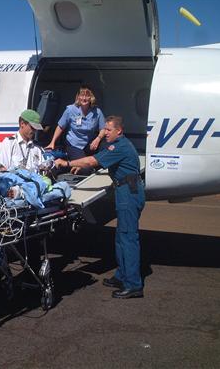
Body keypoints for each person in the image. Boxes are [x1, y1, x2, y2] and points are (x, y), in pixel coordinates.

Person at [54, 116, 145, 299]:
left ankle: (133, 284)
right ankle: (122, 276)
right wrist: (84, 166)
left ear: (119, 131)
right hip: (125, 190)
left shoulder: (118, 146)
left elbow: (91, 161)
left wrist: (68, 163)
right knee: (121, 237)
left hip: (129, 192)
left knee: (128, 238)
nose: (104, 134)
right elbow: (100, 162)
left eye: (108, 130)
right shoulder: (119, 145)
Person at [46, 85, 105, 173]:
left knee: (106, 149)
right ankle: (67, 166)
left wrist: (98, 139)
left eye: (87, 95)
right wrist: (52, 142)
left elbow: (103, 129)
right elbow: (61, 126)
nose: (84, 98)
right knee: (86, 169)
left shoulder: (97, 112)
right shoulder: (70, 110)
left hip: (89, 144)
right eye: (82, 95)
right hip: (74, 144)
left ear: (91, 97)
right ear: (78, 97)